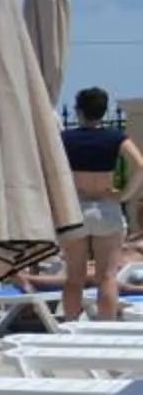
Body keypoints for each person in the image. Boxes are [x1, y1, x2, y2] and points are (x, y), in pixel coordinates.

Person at [60, 88, 143, 323]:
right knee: (107, 276)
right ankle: (106, 327)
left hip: (76, 208)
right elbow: (140, 166)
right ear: (104, 111)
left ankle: (70, 328)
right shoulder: (116, 137)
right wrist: (124, 195)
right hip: (106, 207)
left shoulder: (65, 138)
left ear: (78, 111)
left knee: (74, 277)